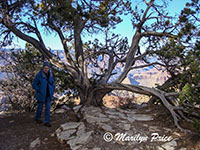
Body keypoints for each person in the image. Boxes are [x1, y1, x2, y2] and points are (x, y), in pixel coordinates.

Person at [32, 61, 55, 127]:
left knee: (48, 108)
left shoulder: (50, 75)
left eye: (47, 68)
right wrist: (38, 90)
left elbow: (52, 83)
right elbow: (34, 84)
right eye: (45, 68)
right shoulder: (39, 75)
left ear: (49, 68)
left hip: (48, 94)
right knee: (40, 107)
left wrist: (53, 89)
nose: (46, 69)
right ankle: (37, 118)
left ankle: (46, 121)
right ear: (43, 68)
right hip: (41, 94)